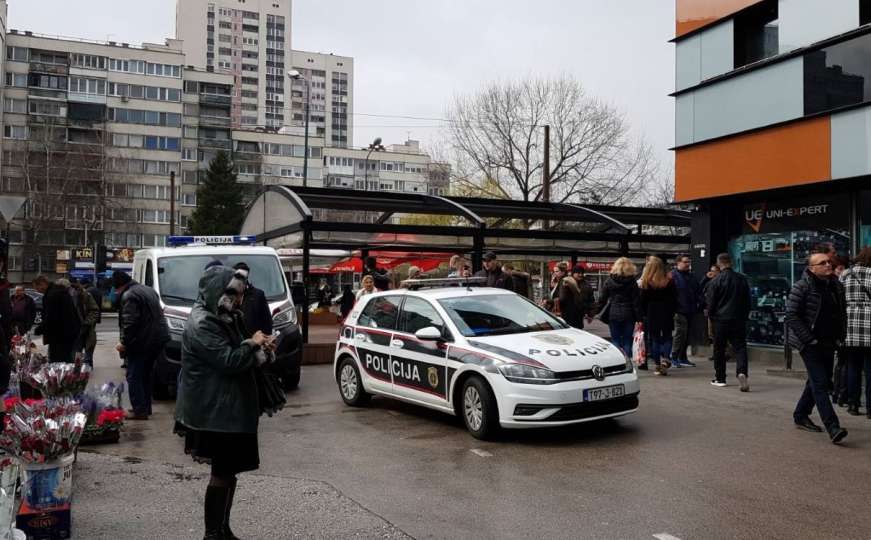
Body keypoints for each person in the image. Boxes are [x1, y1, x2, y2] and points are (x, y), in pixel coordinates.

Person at [175, 265, 275, 540]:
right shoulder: (203, 322)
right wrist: (252, 344)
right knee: (221, 473)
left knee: (229, 472)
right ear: (219, 293)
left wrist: (260, 346)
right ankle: (212, 534)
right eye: (236, 295)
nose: (240, 300)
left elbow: (237, 351)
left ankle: (223, 529)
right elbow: (229, 361)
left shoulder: (222, 315)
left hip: (227, 408)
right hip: (214, 411)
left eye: (241, 294)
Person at [786, 252, 849, 444]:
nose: (828, 265)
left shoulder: (835, 285)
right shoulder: (802, 286)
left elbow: (840, 314)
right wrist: (808, 339)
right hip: (810, 343)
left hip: (829, 341)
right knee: (821, 384)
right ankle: (833, 427)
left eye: (829, 262)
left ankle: (800, 414)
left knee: (816, 381)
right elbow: (791, 315)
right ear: (812, 268)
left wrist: (841, 337)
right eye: (822, 263)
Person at [113, 270, 170, 420]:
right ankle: (145, 408)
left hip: (143, 340)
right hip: (158, 338)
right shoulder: (148, 290)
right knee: (145, 374)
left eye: (116, 290)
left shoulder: (129, 295)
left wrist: (124, 343)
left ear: (120, 287)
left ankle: (139, 410)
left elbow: (130, 323)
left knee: (133, 375)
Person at [706, 253, 751, 390]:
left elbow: (711, 303)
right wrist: (744, 316)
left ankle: (720, 378)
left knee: (719, 349)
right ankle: (742, 372)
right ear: (731, 262)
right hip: (738, 319)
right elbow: (748, 301)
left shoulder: (716, 280)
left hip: (720, 320)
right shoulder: (742, 279)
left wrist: (711, 317)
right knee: (740, 347)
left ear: (719, 264)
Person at [840, 248, 871, 419]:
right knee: (870, 368)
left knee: (853, 366)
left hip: (850, 324)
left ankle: (853, 403)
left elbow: (838, 296)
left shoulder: (845, 274)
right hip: (869, 324)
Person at [640, 256, 678, 375]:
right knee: (667, 337)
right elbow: (675, 298)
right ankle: (665, 359)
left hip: (652, 312)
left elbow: (642, 300)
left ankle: (657, 365)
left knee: (654, 339)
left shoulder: (646, 281)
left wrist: (643, 314)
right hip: (666, 311)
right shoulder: (669, 280)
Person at [598, 257, 641, 360]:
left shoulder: (609, 281)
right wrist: (639, 318)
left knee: (615, 339)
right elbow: (636, 302)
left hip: (613, 313)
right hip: (629, 314)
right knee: (627, 340)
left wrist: (594, 312)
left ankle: (617, 360)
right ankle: (627, 361)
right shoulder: (632, 282)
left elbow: (602, 298)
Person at [35, 277, 82, 363]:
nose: (37, 291)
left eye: (37, 288)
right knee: (66, 358)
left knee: (58, 360)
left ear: (43, 284)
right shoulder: (60, 292)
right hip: (68, 332)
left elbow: (51, 317)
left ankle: (61, 375)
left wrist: (40, 329)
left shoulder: (52, 295)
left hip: (59, 335)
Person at [671, 255, 701, 367]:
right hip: (679, 310)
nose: (688, 264)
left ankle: (682, 357)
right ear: (678, 263)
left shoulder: (691, 276)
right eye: (685, 262)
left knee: (687, 335)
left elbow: (698, 290)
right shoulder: (673, 276)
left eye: (689, 262)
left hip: (690, 309)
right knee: (680, 333)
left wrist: (699, 303)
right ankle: (674, 356)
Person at [233, 262, 272, 336]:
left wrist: (264, 340)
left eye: (243, 277)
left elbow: (267, 322)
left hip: (256, 342)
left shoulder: (257, 295)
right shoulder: (228, 296)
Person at [72, 281, 100, 366]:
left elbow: (95, 310)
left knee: (88, 347)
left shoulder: (86, 295)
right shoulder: (67, 296)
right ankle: (78, 366)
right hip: (75, 328)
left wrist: (87, 322)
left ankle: (87, 365)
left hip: (85, 327)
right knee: (77, 349)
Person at [559, 265, 594, 330]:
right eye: (578, 273)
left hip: (579, 315)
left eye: (582, 273)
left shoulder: (586, 285)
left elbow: (591, 300)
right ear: (573, 273)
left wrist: (590, 314)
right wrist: (565, 288)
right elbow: (562, 298)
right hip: (567, 315)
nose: (580, 275)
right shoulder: (566, 282)